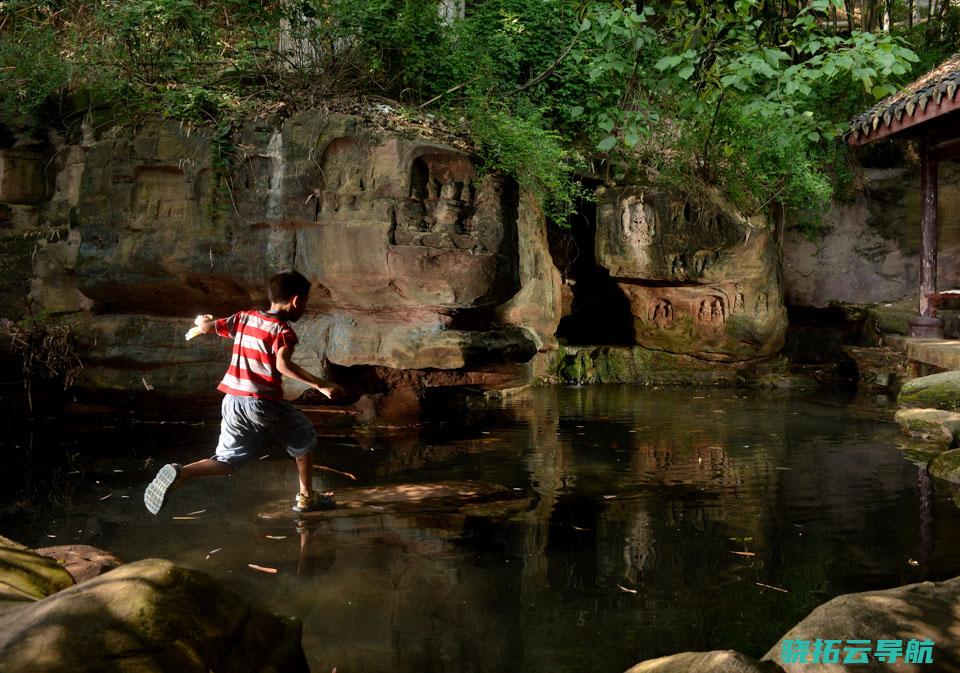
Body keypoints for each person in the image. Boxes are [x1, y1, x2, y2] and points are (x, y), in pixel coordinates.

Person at [144, 270, 343, 515]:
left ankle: (182, 472)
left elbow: (207, 326)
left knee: (227, 460)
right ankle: (306, 498)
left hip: (232, 401)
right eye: (305, 302)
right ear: (296, 301)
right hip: (262, 402)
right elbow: (282, 365)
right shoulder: (282, 331)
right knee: (303, 440)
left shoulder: (245, 317)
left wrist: (202, 321)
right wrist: (320, 385)